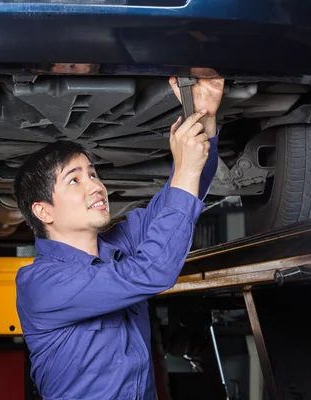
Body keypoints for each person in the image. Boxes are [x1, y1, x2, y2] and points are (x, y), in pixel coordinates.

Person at [13, 74, 224, 400]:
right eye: (74, 180)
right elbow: (153, 272)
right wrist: (183, 168)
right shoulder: (42, 284)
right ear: (44, 211)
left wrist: (205, 119)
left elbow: (180, 197)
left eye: (93, 174)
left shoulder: (116, 244)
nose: (96, 186)